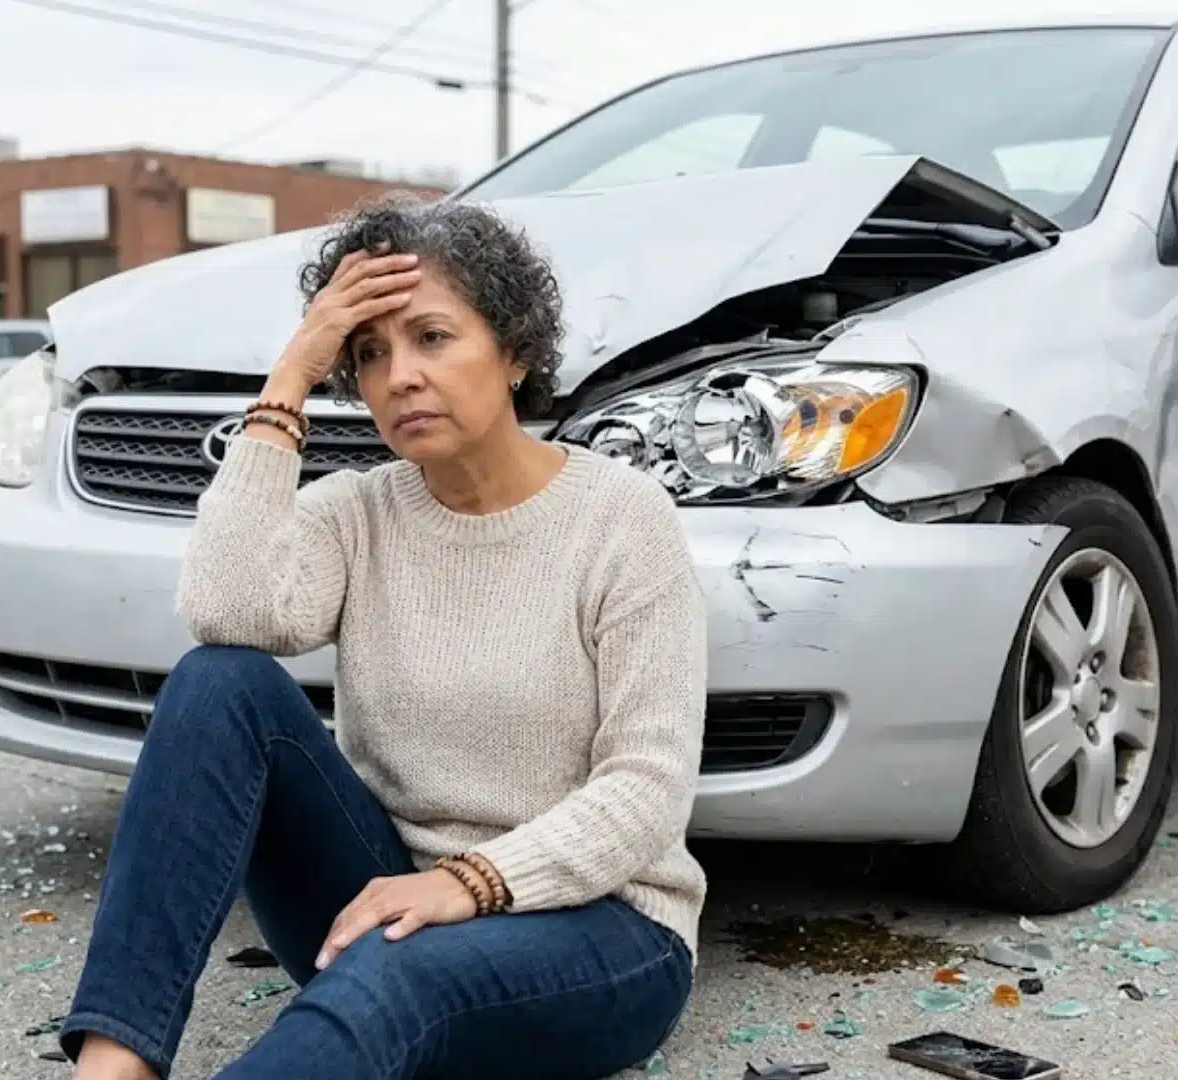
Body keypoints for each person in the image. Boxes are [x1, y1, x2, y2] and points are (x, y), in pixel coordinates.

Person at [59, 195, 709, 1079]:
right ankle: (111, 1067)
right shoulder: (356, 513)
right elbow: (225, 608)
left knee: (393, 978)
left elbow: (647, 791)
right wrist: (289, 374)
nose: (399, 374)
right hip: (386, 893)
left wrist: (466, 885)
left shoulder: (623, 521)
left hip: (602, 929)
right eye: (368, 354)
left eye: (433, 337)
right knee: (220, 682)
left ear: (514, 351)